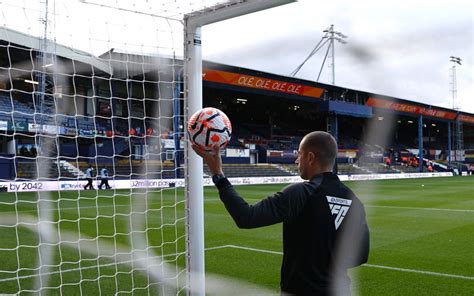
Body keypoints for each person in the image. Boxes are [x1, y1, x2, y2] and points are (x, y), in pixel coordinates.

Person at [193, 131, 370, 295]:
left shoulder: (300, 193)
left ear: (310, 157)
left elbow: (246, 217)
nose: (296, 161)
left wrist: (218, 175)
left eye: (299, 155)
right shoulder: (355, 202)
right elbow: (361, 255)